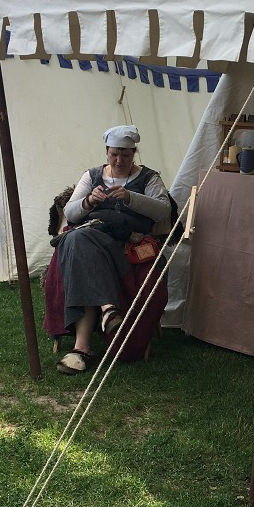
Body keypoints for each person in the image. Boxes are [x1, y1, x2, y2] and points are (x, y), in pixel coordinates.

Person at [55, 125, 172, 375]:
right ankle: (108, 311)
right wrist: (88, 201)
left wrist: (131, 197)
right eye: (114, 154)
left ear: (134, 153)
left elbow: (163, 210)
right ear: (107, 151)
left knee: (79, 244)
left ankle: (81, 348)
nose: (120, 160)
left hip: (127, 242)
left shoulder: (148, 177)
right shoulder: (92, 175)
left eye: (126, 155)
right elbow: (70, 213)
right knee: (80, 239)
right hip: (92, 235)